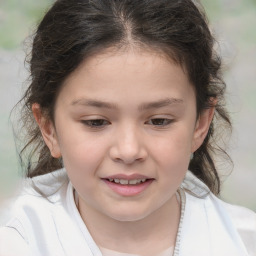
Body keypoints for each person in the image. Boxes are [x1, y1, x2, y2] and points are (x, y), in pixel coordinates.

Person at [0, 0, 255, 255]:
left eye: (159, 121)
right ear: (49, 128)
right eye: (96, 122)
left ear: (200, 124)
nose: (129, 150)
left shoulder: (244, 241)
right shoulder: (14, 240)